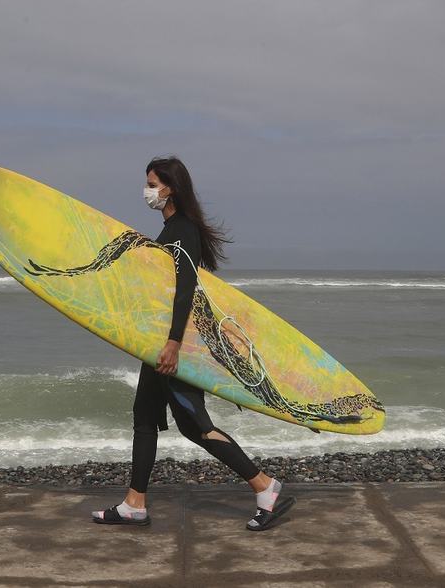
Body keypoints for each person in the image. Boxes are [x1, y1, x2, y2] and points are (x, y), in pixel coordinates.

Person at [92, 156, 295, 531]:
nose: (147, 190)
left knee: (196, 426)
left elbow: (185, 289)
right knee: (146, 417)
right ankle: (135, 502)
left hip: (173, 345)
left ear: (170, 187)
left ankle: (265, 485)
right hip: (160, 343)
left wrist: (171, 344)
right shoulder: (172, 229)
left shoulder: (183, 230)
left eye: (152, 183)